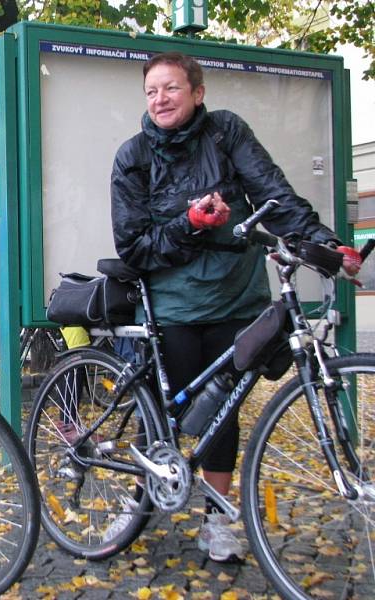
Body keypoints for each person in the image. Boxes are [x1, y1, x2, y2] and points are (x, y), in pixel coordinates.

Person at [110, 51, 361, 563]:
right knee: (161, 412)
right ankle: (137, 504)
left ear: (197, 93)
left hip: (235, 298)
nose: (161, 98)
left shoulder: (226, 134)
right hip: (172, 306)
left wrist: (324, 243)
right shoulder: (133, 156)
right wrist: (190, 224)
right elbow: (133, 246)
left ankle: (218, 520)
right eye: (152, 90)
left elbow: (275, 196)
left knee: (223, 415)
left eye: (172, 88)